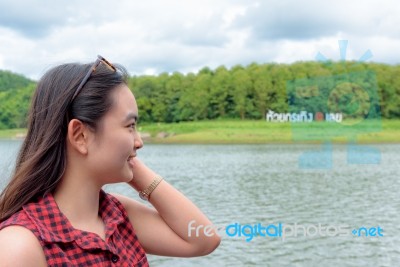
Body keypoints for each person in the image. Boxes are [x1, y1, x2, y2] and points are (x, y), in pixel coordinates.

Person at [0, 55, 221, 266]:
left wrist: (135, 169)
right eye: (130, 126)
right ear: (80, 135)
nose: (139, 142)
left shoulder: (117, 215)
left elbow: (204, 239)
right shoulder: (20, 245)